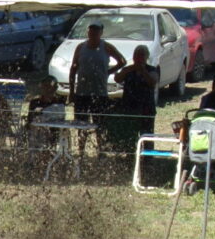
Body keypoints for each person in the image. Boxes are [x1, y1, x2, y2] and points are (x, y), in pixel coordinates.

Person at [68, 20, 125, 155]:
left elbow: (122, 61)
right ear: (88, 32)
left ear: (101, 33)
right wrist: (71, 90)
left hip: (100, 93)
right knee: (81, 124)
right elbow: (74, 67)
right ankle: (81, 151)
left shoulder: (106, 47)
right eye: (90, 32)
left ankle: (100, 151)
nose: (92, 34)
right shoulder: (81, 47)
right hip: (82, 92)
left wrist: (108, 72)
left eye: (96, 32)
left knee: (100, 124)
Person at [114, 45, 160, 137]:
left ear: (147, 57)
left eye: (141, 55)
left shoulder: (152, 70)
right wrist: (127, 70)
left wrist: (142, 70)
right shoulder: (128, 69)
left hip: (146, 108)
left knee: (147, 134)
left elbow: (153, 82)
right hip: (130, 107)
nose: (138, 57)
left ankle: (147, 151)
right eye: (136, 55)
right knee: (130, 134)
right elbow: (117, 78)